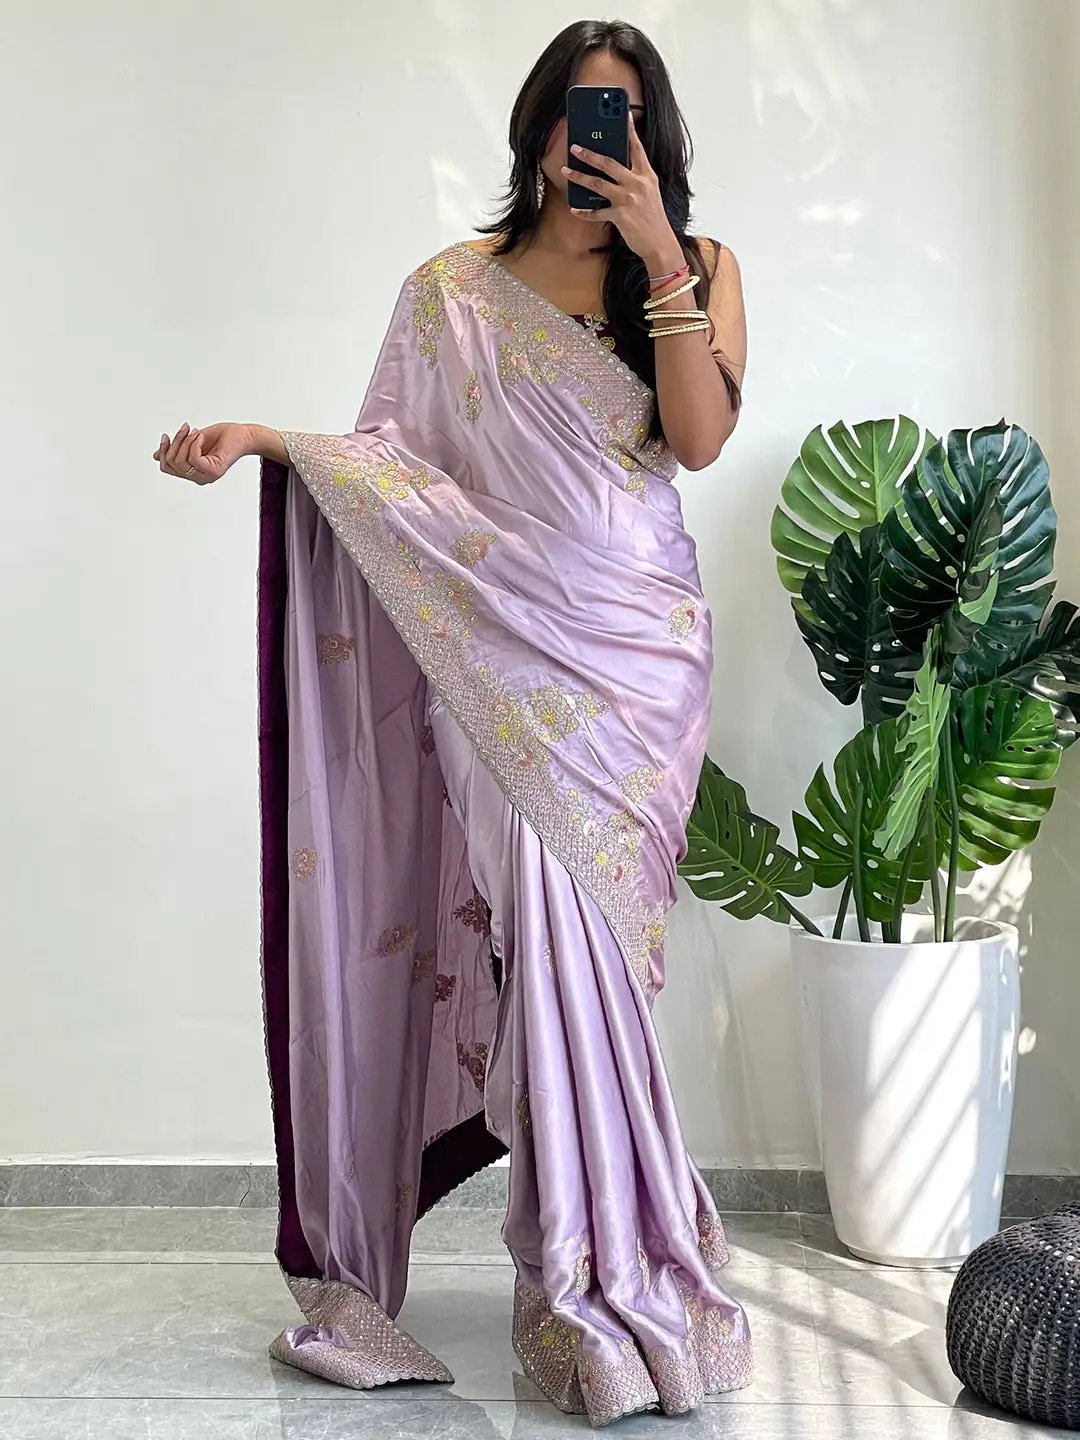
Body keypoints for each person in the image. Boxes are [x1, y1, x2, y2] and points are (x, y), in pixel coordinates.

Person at [154, 18, 750, 1428]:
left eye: (618, 117)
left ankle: (619, 1255)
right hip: (496, 653)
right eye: (569, 114)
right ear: (534, 129)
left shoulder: (705, 269)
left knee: (596, 953)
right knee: (543, 935)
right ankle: (575, 1272)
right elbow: (395, 471)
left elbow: (703, 438)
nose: (585, 140)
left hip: (635, 658)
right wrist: (274, 440)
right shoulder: (451, 293)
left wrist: (663, 258)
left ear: (651, 137)